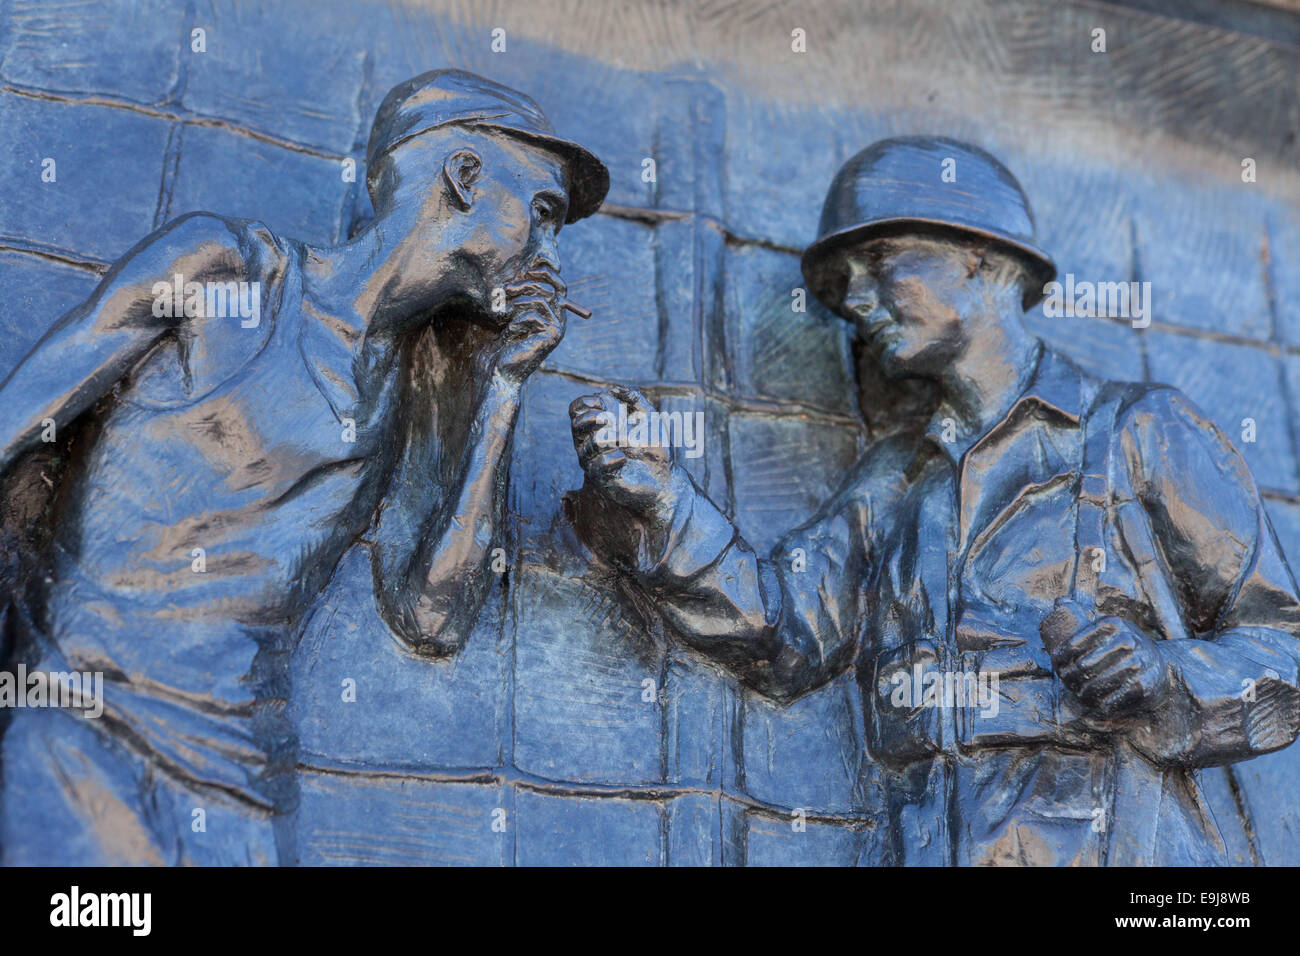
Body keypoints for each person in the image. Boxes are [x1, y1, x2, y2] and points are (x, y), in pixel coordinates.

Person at [568, 136, 1300, 865]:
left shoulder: (1140, 429)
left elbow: (1285, 648)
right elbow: (785, 635)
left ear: (977, 256)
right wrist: (664, 503)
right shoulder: (894, 476)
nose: (855, 300)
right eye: (847, 278)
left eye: (880, 261)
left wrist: (1161, 677)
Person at [0, 69, 608, 865]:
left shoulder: (416, 394)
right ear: (463, 177)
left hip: (238, 776)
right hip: (79, 725)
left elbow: (433, 615)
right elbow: (15, 429)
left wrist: (502, 392)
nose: (551, 256)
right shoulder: (226, 270)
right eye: (544, 214)